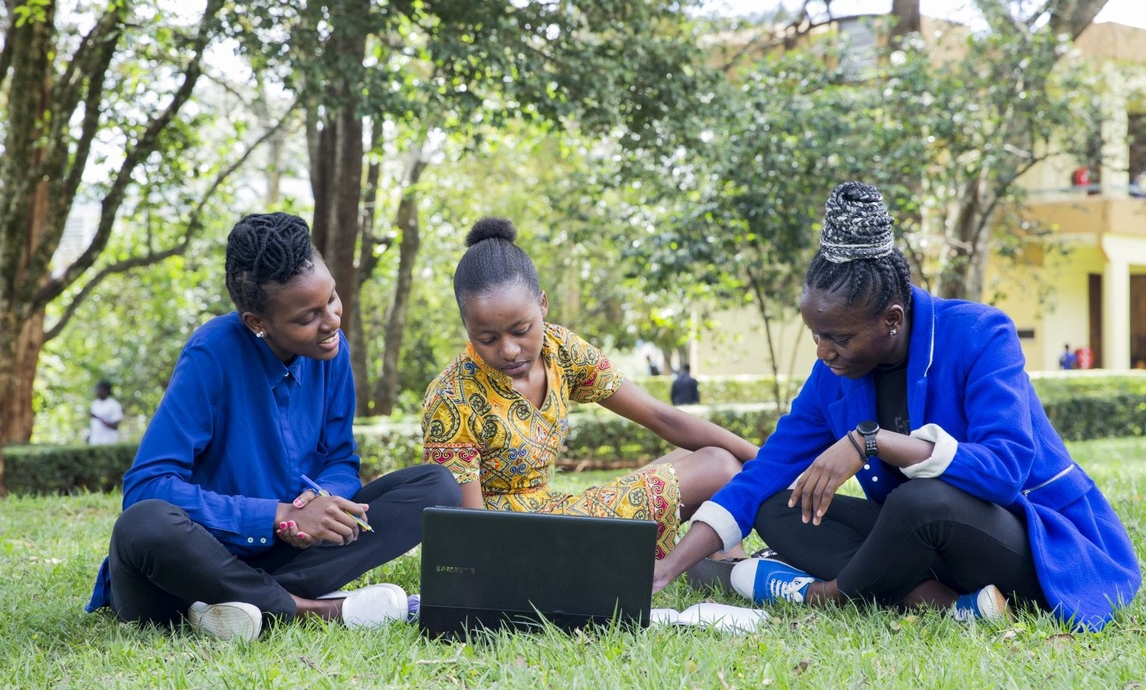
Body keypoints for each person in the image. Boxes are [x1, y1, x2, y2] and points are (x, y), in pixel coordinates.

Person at [653, 182, 1141, 632]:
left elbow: (1005, 470)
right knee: (778, 505)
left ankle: (829, 596)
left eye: (839, 338)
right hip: (920, 544)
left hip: (1033, 546)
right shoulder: (833, 375)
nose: (823, 352)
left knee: (920, 498)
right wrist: (669, 567)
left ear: (892, 319)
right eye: (817, 336)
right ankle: (937, 601)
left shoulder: (980, 334)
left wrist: (871, 441)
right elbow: (764, 473)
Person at [86, 212, 460, 641]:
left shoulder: (333, 354)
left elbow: (340, 460)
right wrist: (277, 516)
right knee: (143, 525)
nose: (332, 321)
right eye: (307, 317)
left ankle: (238, 606)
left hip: (285, 558)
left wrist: (317, 505)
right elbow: (145, 486)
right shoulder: (211, 354)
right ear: (257, 323)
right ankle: (313, 610)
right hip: (191, 567)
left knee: (435, 488)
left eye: (332, 299)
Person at [421, 217, 760, 559]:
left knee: (713, 454)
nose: (509, 349)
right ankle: (716, 564)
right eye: (488, 338)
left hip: (559, 512)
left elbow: (661, 417)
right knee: (718, 465)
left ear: (543, 305)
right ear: (467, 328)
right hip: (517, 545)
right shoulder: (452, 397)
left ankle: (721, 561)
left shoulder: (561, 349)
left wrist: (768, 463)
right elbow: (470, 531)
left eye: (521, 330)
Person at [88, 379, 124, 445]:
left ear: (106, 390)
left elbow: (115, 426)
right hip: (94, 442)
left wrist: (98, 418)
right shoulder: (95, 404)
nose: (97, 392)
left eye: (99, 389)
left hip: (108, 442)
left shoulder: (114, 405)